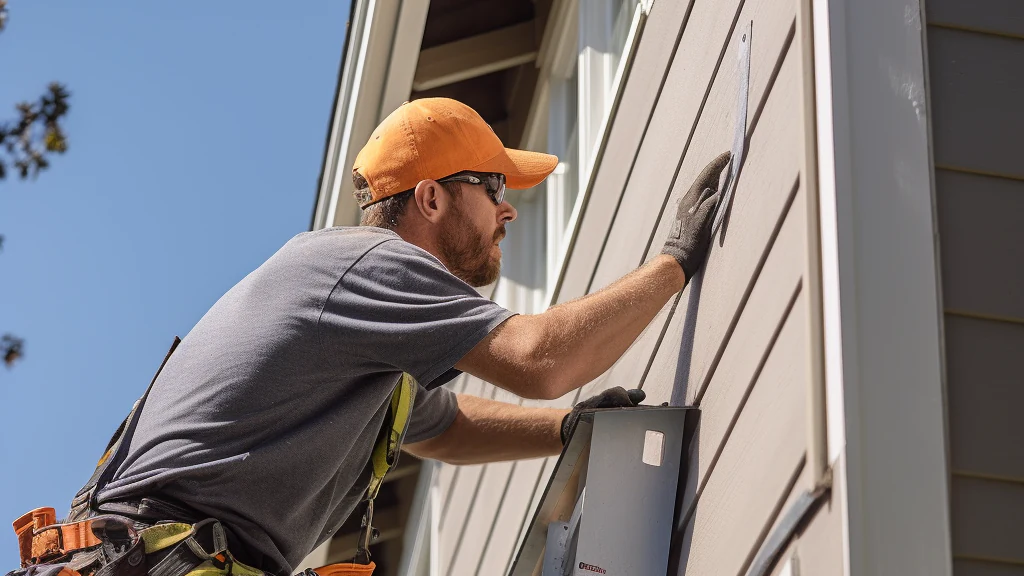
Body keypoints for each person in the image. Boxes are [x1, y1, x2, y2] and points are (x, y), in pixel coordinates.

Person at [10, 98, 728, 576]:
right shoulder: (367, 264)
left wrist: (567, 429)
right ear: (431, 197)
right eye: (495, 189)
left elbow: (440, 426)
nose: (509, 213)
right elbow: (542, 360)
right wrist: (675, 262)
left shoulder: (364, 324)